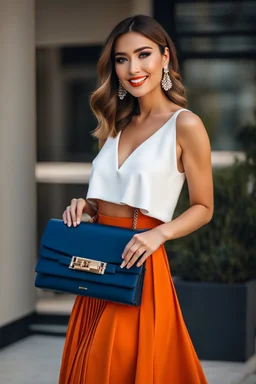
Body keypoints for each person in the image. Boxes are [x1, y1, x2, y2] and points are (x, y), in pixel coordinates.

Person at [59, 14, 213, 384]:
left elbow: (203, 207)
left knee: (117, 366)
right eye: (121, 58)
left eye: (143, 54)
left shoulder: (186, 124)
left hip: (138, 262)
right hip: (96, 264)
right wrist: (87, 206)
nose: (133, 67)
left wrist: (159, 234)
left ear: (165, 57)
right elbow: (108, 198)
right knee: (87, 367)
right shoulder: (114, 124)